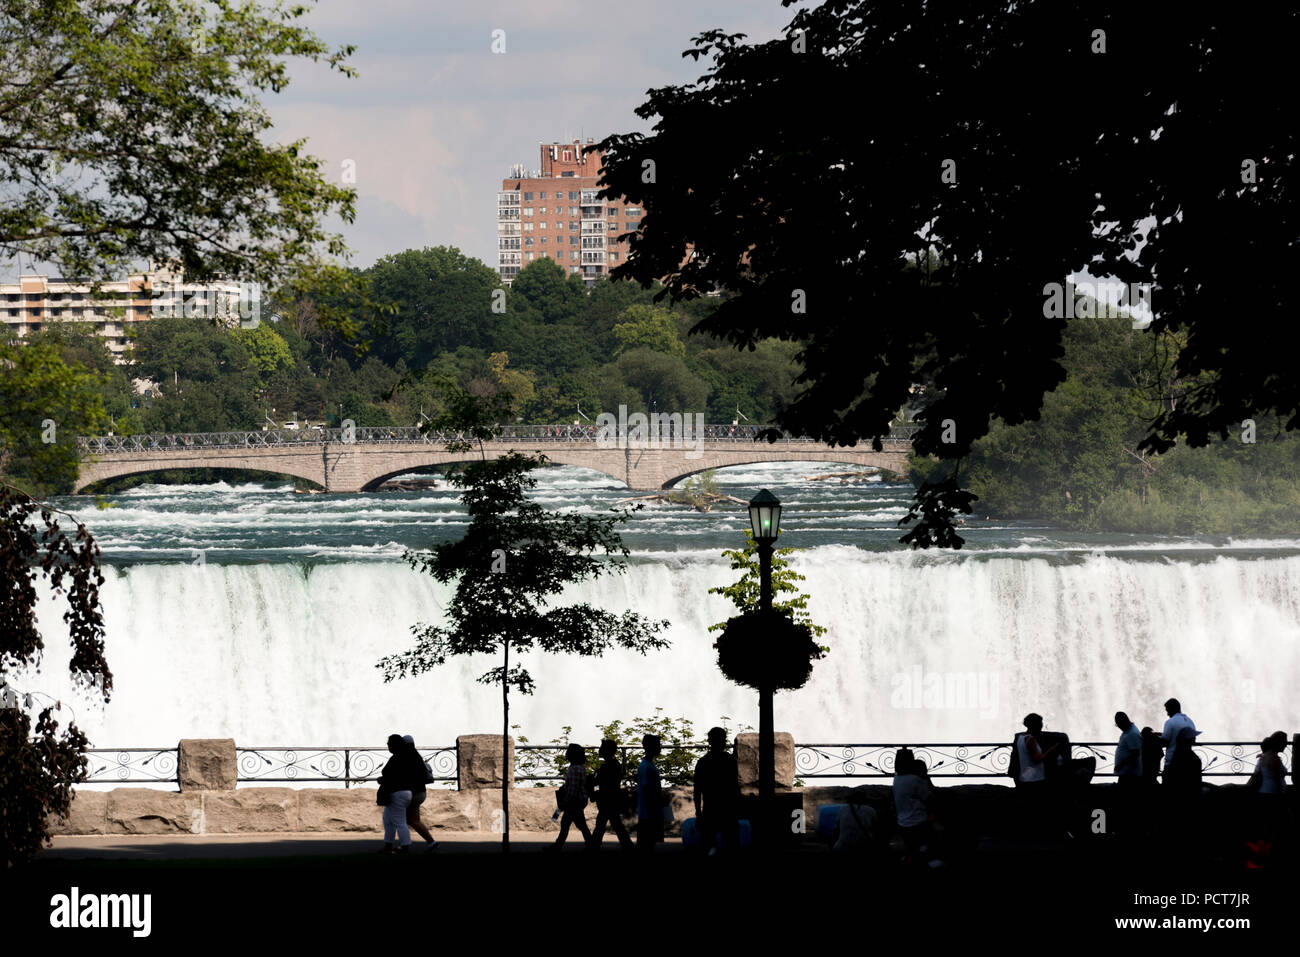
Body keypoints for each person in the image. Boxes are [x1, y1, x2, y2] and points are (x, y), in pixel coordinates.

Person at [693, 727, 741, 855]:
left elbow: (697, 791)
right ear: (724, 741)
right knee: (731, 846)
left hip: (710, 810)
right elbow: (735, 788)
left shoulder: (702, 762)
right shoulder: (730, 761)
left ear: (709, 741)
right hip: (728, 810)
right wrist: (738, 809)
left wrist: (698, 813)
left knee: (708, 847)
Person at [377, 733, 421, 854]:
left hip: (397, 793)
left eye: (389, 744)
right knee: (388, 819)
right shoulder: (405, 756)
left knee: (399, 821)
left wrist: (382, 779)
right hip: (404, 792)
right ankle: (388, 846)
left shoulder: (398, 757)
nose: (387, 746)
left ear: (394, 745)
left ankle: (405, 847)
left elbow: (393, 776)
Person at [892, 749, 937, 865]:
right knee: (925, 848)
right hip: (918, 822)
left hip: (902, 823)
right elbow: (929, 799)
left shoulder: (896, 779)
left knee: (912, 849)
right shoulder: (915, 780)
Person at [589, 739, 633, 851]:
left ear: (606, 751)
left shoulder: (607, 766)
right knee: (614, 825)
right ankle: (628, 846)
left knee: (603, 825)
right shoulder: (615, 764)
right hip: (611, 800)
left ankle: (593, 847)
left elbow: (600, 782)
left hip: (607, 801)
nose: (599, 750)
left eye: (602, 748)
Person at [551, 742, 593, 850]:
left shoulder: (574, 769)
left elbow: (573, 789)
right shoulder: (580, 767)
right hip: (578, 801)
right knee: (573, 824)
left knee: (571, 824)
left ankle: (557, 847)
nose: (566, 754)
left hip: (574, 802)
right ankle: (591, 844)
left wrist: (565, 801)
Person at [401, 734, 438, 852]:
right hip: (420, 792)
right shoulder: (416, 756)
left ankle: (431, 842)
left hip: (415, 793)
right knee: (409, 820)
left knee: (411, 820)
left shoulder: (407, 757)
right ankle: (406, 844)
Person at [636, 734, 664, 853]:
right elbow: (647, 789)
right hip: (649, 812)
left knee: (647, 844)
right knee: (647, 844)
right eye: (658, 745)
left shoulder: (647, 765)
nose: (660, 748)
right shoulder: (647, 766)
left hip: (649, 811)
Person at [1159, 698, 1199, 772]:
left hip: (1172, 762)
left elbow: (1165, 741)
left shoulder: (1170, 722)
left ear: (1172, 709)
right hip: (1188, 761)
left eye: (1167, 711)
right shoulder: (1190, 721)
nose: (1167, 714)